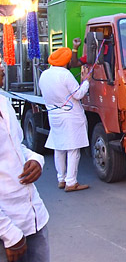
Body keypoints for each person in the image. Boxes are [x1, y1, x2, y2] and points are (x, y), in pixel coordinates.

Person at [0, 65, 50, 262]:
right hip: (8, 231)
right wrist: (9, 234)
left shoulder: (4, 102)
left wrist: (36, 159)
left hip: (34, 219)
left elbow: (16, 146)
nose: (3, 68)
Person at [38, 47, 90, 192]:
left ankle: (61, 179)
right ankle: (71, 182)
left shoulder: (45, 75)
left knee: (59, 148)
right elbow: (78, 94)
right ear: (66, 62)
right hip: (70, 116)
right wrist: (86, 81)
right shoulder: (65, 74)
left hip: (53, 115)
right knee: (73, 149)